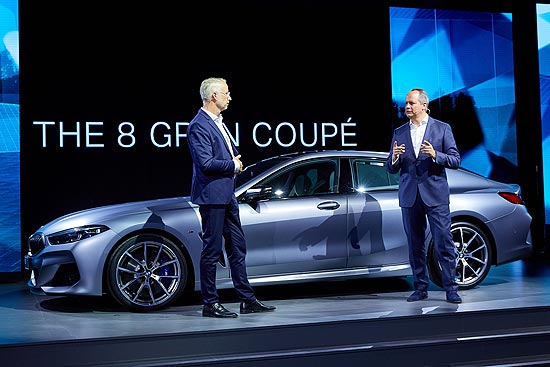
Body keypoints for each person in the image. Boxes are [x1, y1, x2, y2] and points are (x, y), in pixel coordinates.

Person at [187, 77, 276, 318]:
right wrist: (233, 166)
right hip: (212, 197)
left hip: (228, 196)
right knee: (212, 251)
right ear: (213, 96)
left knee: (237, 248)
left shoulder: (219, 123)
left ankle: (247, 299)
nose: (230, 97)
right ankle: (210, 303)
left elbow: (231, 152)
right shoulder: (199, 125)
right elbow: (205, 163)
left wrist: (234, 160)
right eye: (226, 93)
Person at [385, 88, 462, 304]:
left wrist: (436, 155)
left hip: (435, 196)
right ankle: (420, 287)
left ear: (424, 106)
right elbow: (390, 168)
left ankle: (451, 288)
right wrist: (394, 159)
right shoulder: (399, 132)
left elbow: (455, 160)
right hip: (410, 196)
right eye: (406, 104)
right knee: (415, 244)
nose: (407, 107)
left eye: (411, 103)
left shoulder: (442, 129)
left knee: (443, 243)